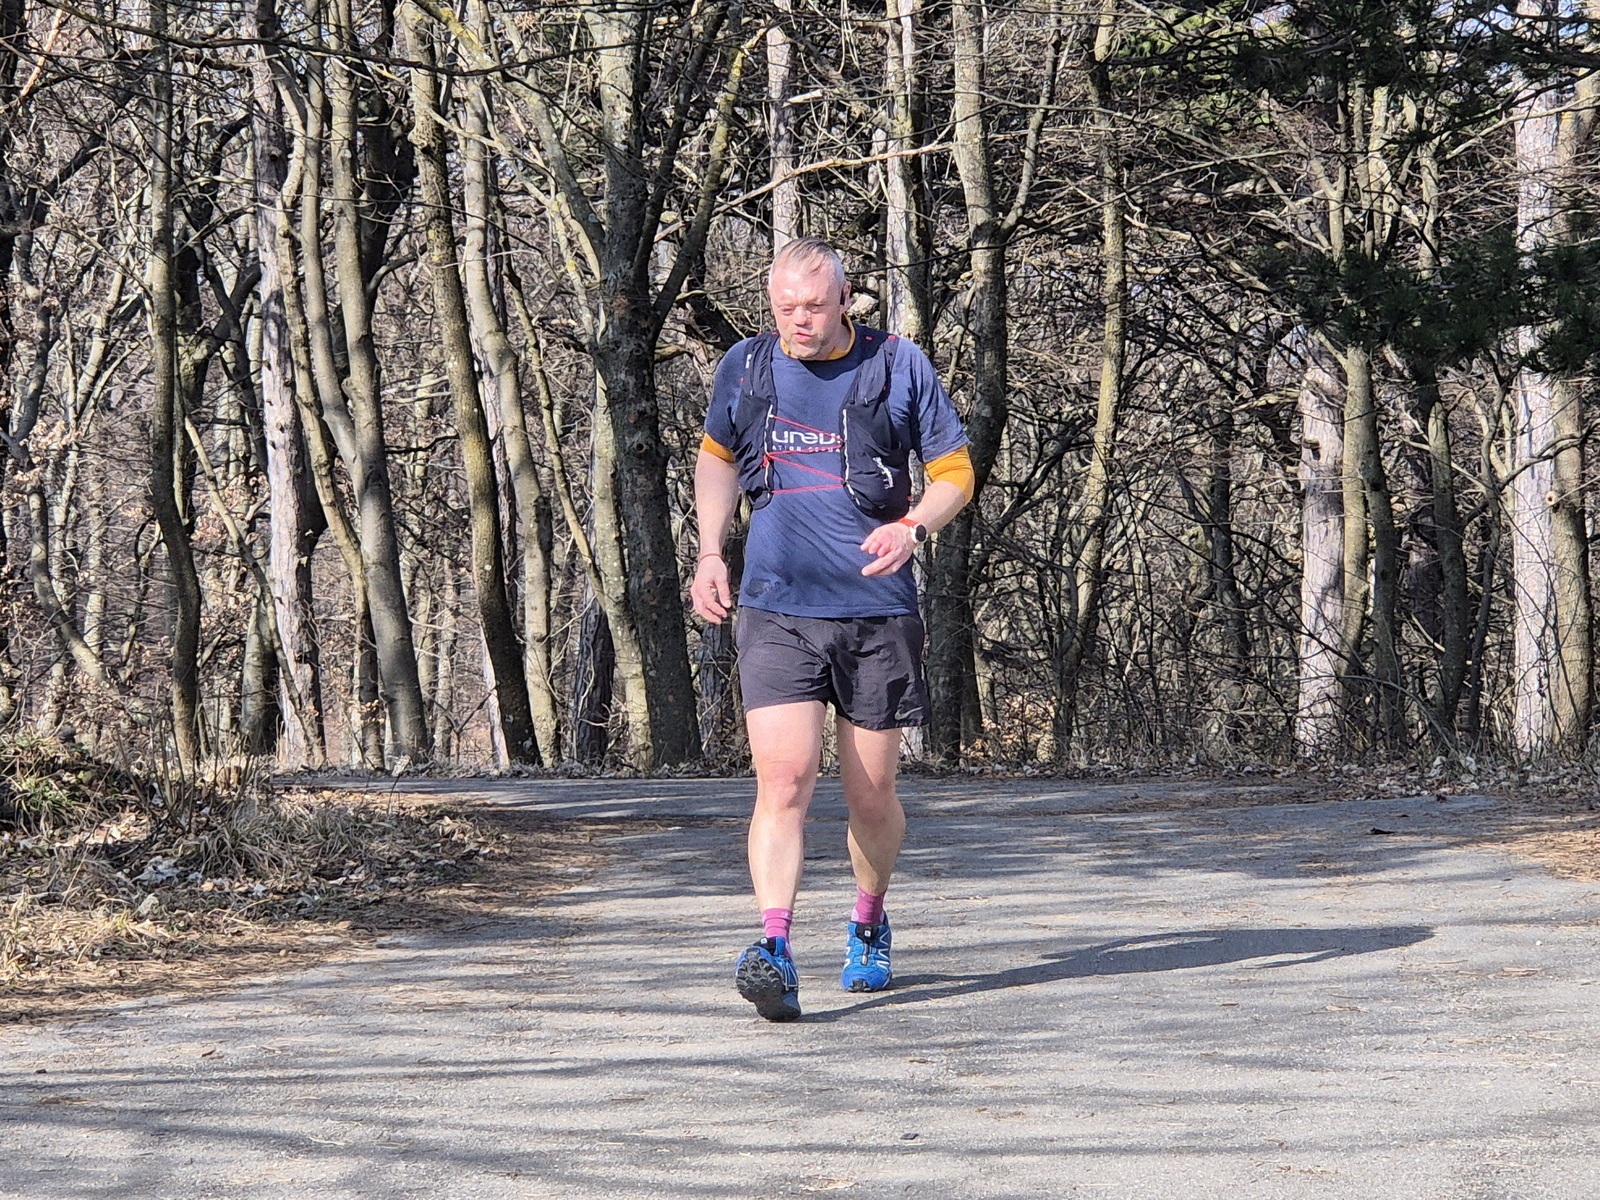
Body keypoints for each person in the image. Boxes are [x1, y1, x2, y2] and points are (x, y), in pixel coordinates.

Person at [690, 237, 974, 1021]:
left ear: (846, 300)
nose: (799, 321)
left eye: (814, 306)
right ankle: (774, 948)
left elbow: (955, 471)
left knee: (870, 794)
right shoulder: (746, 367)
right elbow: (717, 458)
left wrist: (913, 526)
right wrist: (710, 550)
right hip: (776, 606)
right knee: (782, 781)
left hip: (875, 612)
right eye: (785, 307)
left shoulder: (898, 365)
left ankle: (869, 921)